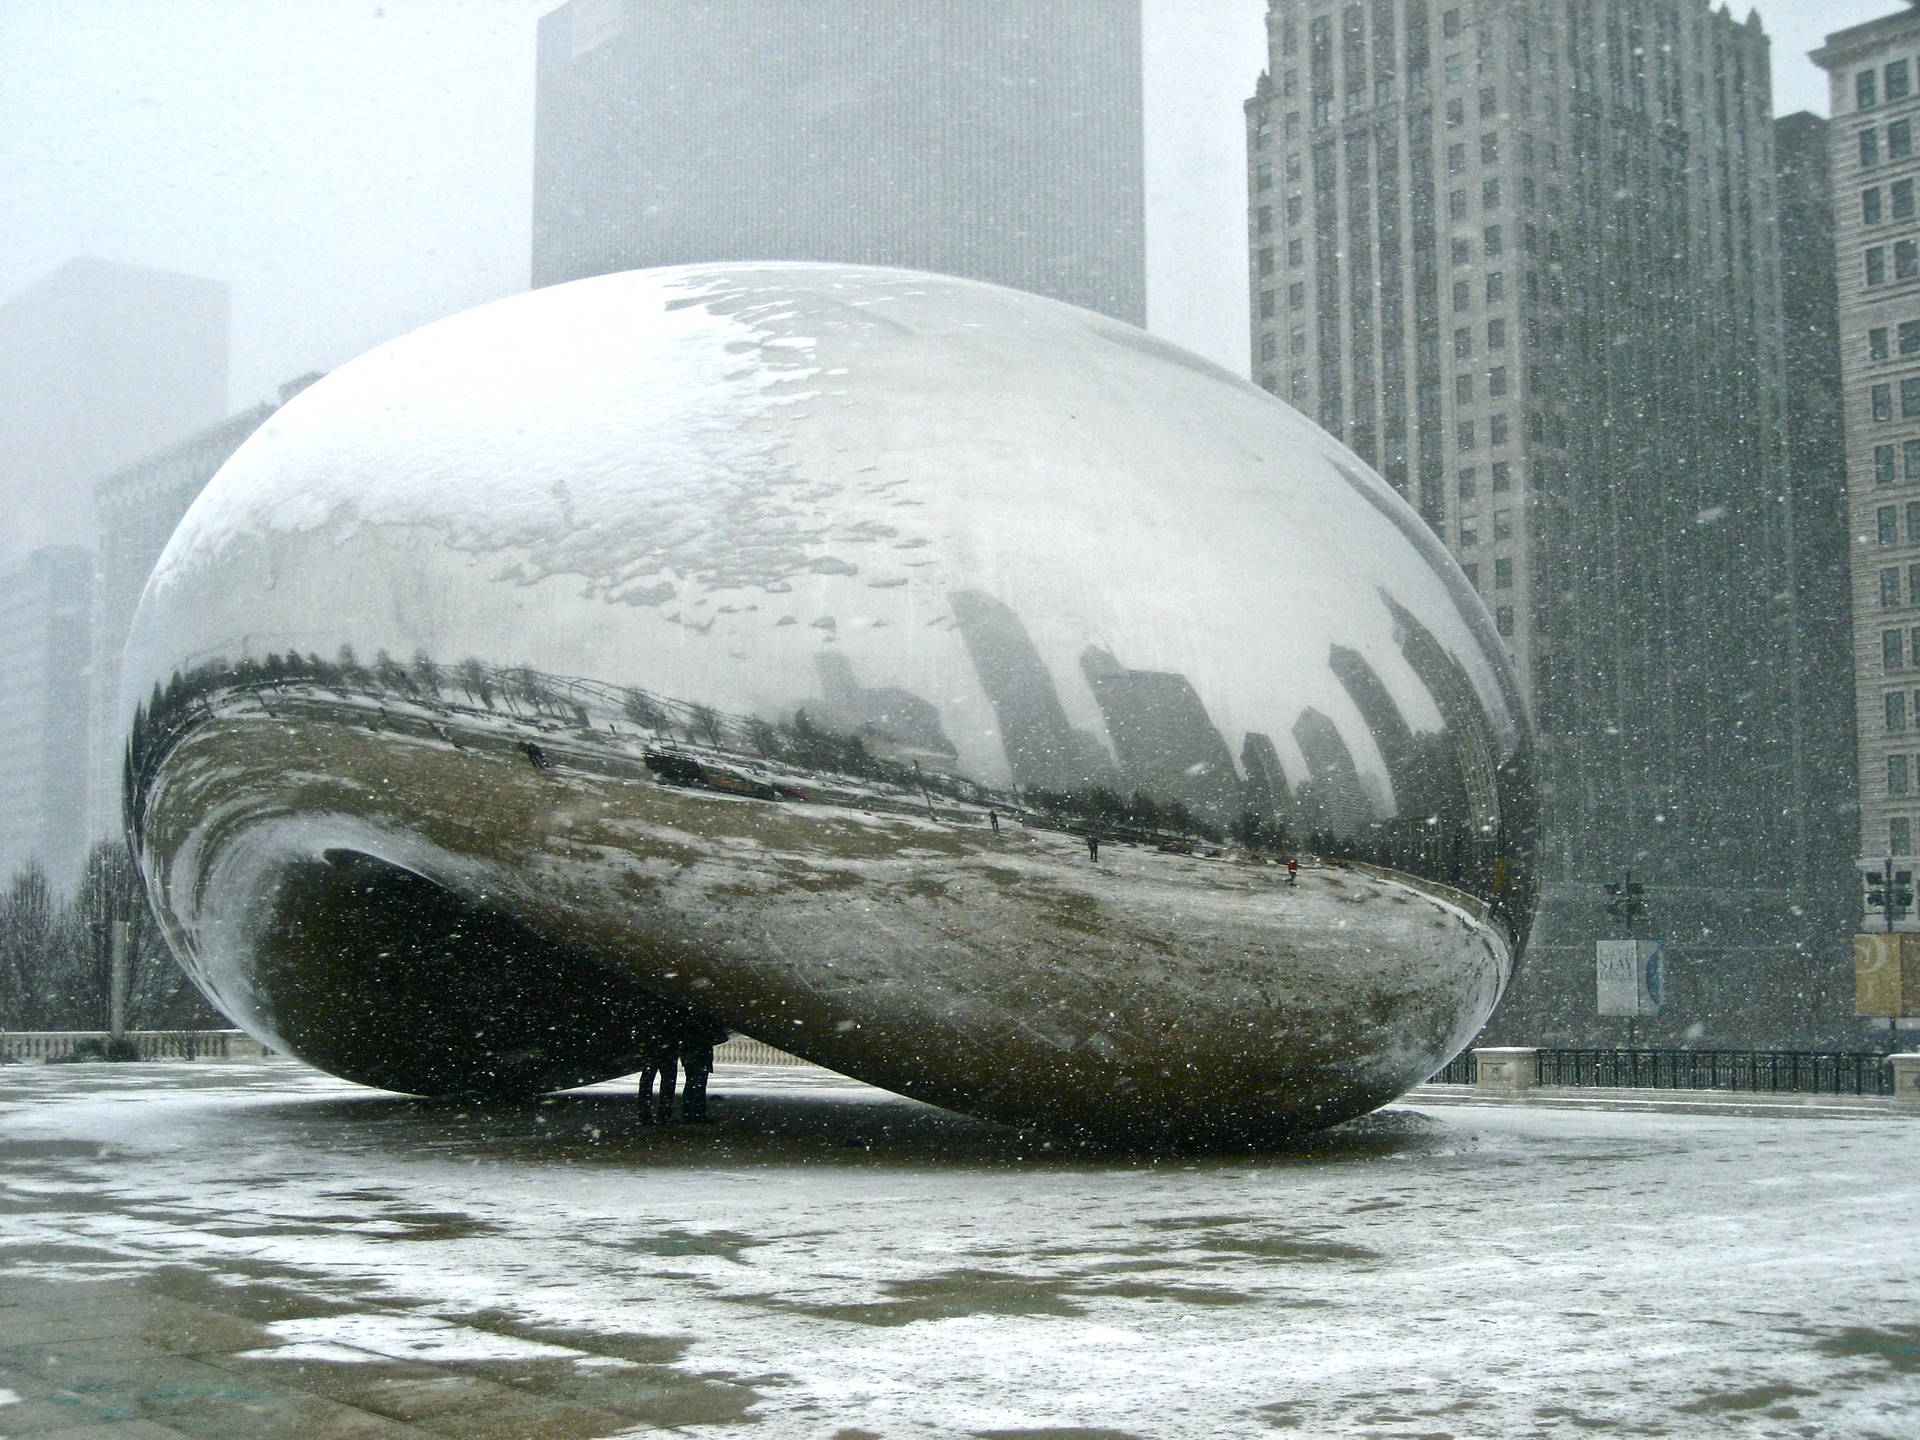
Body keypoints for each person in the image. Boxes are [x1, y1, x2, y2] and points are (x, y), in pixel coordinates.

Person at [676, 1020, 731, 1122]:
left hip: (690, 1054)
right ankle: (698, 1113)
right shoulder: (708, 1023)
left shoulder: (687, 1022)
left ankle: (688, 1113)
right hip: (702, 1055)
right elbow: (722, 1037)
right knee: (699, 1085)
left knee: (690, 1084)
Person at [636, 1036, 678, 1123]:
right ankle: (664, 1112)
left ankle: (645, 1112)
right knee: (668, 1080)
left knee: (647, 1080)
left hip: (652, 1046)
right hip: (667, 1046)